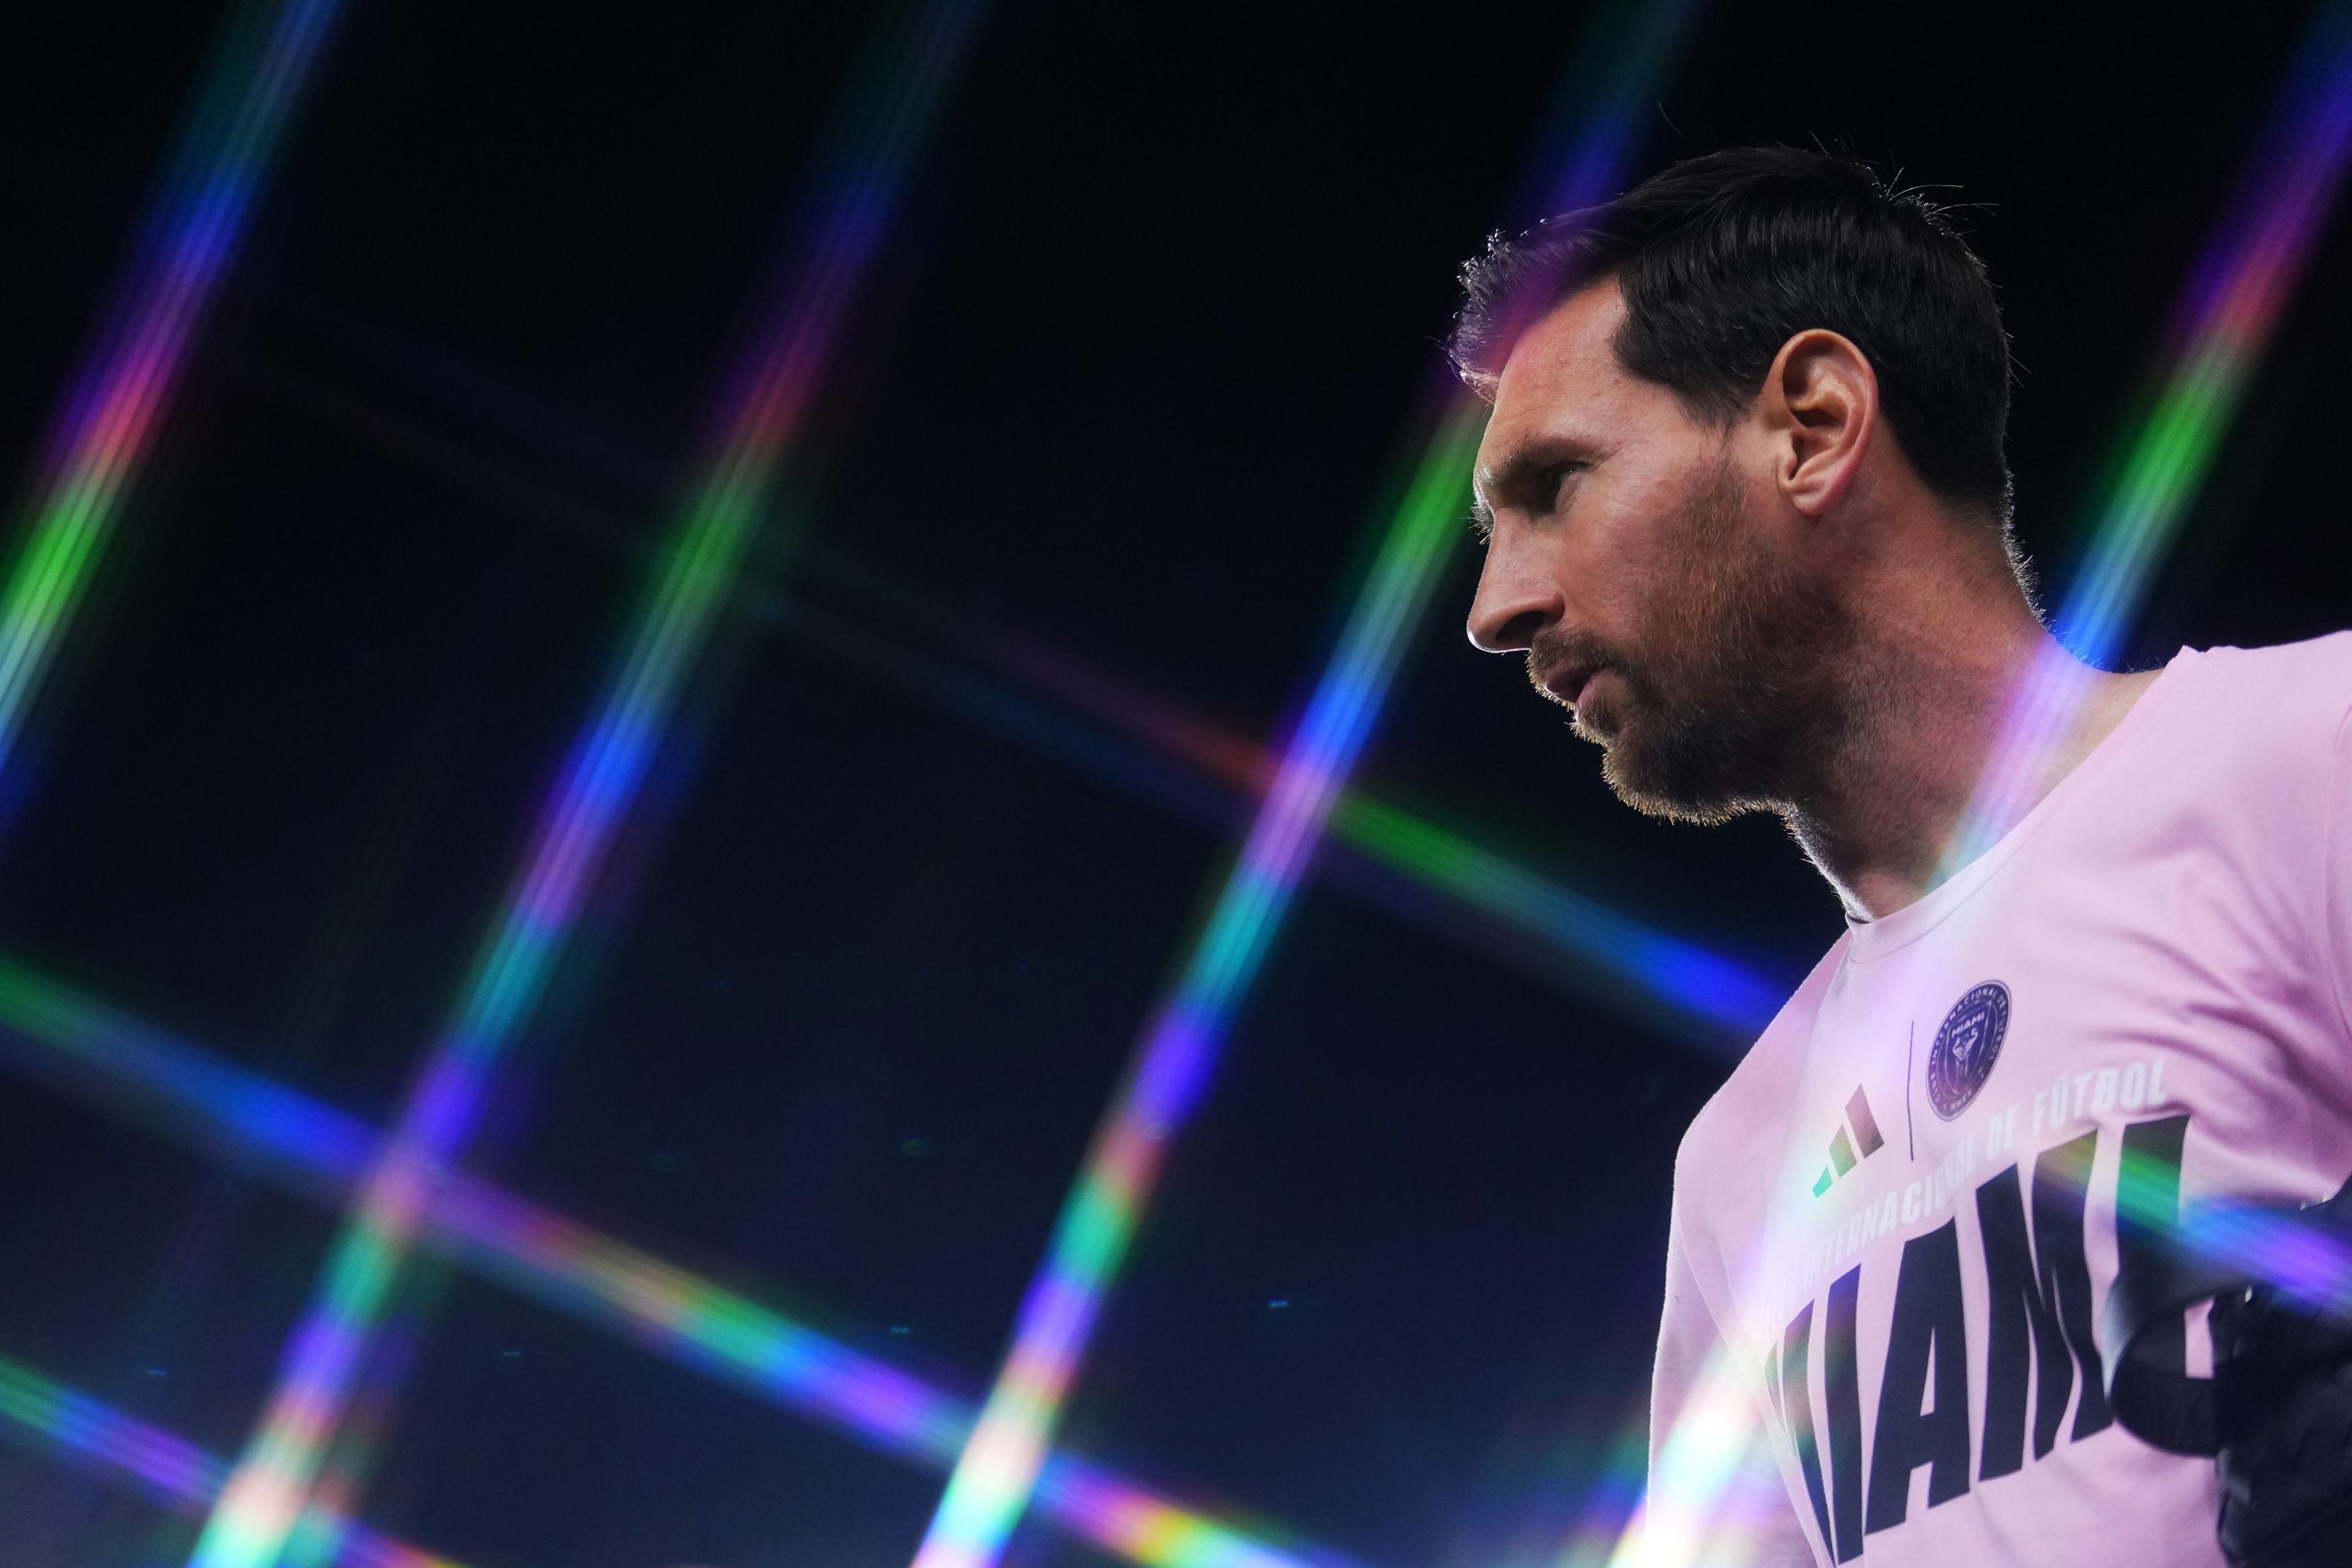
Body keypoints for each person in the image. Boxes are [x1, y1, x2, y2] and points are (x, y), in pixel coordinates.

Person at [1450, 146, 2352, 1566]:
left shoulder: (2313, 756)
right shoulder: (1739, 1164)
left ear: (1812, 424)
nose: (1495, 605)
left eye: (1554, 485)